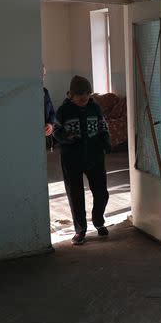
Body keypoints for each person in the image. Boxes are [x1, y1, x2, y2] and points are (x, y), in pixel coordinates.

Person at [53, 76, 111, 245]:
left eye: (86, 93)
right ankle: (80, 230)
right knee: (75, 195)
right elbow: (56, 131)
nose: (83, 97)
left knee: (101, 192)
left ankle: (99, 221)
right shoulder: (63, 110)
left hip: (95, 157)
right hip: (71, 159)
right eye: (79, 94)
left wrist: (106, 142)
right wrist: (66, 138)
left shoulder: (95, 107)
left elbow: (103, 126)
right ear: (70, 94)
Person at [42, 65, 56, 147]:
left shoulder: (45, 92)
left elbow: (52, 112)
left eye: (43, 75)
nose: (42, 78)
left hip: (44, 135)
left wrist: (50, 124)